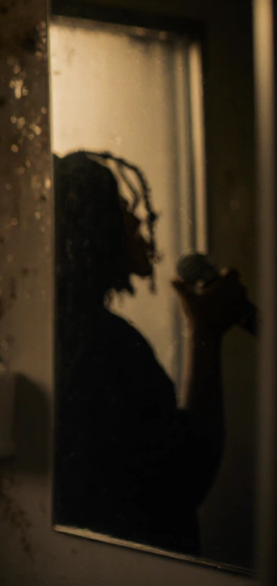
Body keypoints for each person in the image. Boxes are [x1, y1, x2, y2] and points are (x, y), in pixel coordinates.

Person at [53, 151, 247, 555]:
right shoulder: (107, 348)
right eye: (123, 209)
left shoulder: (61, 335)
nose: (139, 220)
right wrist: (206, 332)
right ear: (96, 227)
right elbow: (185, 476)